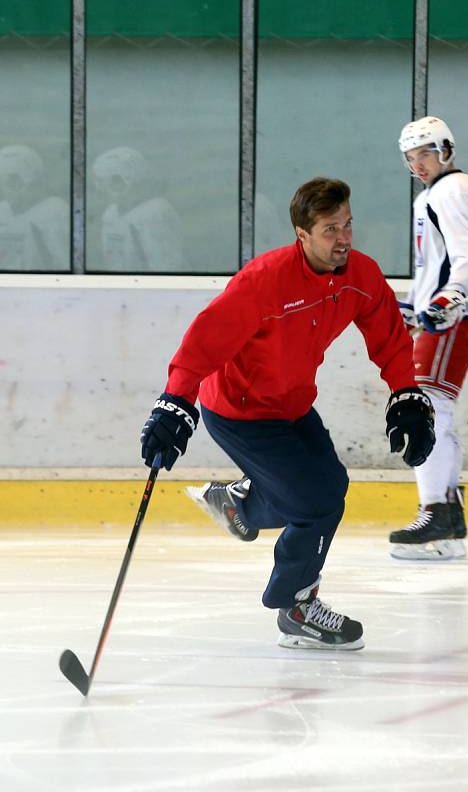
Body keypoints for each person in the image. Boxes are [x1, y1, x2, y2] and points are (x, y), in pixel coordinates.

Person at [140, 177, 435, 650]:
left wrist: (406, 394)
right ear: (302, 233)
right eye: (330, 230)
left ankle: (242, 504)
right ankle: (296, 607)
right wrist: (176, 401)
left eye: (347, 225)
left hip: (294, 404)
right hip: (240, 410)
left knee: (330, 490)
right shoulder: (265, 280)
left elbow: (388, 334)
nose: (343, 239)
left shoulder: (360, 275)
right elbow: (204, 339)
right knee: (315, 502)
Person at [390, 116, 468, 561]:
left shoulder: (452, 190)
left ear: (445, 149)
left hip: (457, 315)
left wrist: (449, 299)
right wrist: (413, 305)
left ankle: (437, 514)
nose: (418, 164)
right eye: (410, 157)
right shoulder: (439, 193)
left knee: (427, 404)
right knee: (433, 404)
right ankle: (448, 519)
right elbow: (434, 265)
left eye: (425, 153)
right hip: (451, 312)